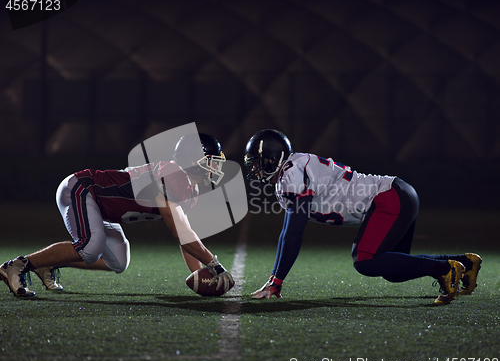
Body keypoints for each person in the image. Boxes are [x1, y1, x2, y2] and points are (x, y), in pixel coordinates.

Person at [244, 129, 482, 305]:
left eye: (257, 163)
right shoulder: (293, 170)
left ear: (273, 159)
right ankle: (464, 263)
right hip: (397, 193)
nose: (254, 169)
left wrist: (276, 281)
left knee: (364, 260)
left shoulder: (291, 173)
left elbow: (292, 234)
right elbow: (291, 232)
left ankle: (444, 269)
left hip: (388, 198)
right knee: (393, 269)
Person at [0, 133, 234, 297]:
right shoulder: (172, 176)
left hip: (100, 206)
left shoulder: (188, 189)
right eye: (211, 162)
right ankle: (16, 265)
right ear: (193, 161)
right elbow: (183, 235)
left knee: (119, 261)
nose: (215, 168)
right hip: (82, 188)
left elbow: (185, 239)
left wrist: (199, 274)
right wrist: (214, 264)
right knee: (91, 247)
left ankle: (45, 265)